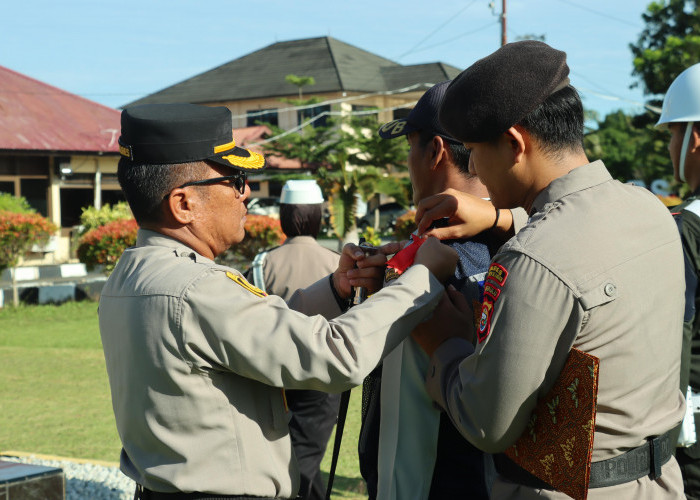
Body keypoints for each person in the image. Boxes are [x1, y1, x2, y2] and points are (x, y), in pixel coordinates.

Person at [99, 102, 458, 500]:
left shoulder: (129, 276)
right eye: (234, 180)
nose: (246, 193)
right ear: (184, 204)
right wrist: (422, 278)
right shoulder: (197, 287)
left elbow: (255, 332)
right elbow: (337, 357)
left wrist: (337, 289)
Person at [410, 41, 686, 498]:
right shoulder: (647, 208)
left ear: (516, 143)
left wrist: (445, 342)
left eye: (476, 150)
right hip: (658, 480)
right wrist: (502, 217)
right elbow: (579, 240)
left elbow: (487, 423)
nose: (473, 166)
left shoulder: (532, 260)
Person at [359, 80, 524, 500]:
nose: (408, 163)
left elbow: (404, 433)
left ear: (435, 151)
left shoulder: (426, 266)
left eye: (410, 147)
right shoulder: (526, 242)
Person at [246, 179, 341, 500]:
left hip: (273, 378)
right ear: (319, 216)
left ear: (284, 217)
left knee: (290, 455)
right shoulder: (339, 262)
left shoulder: (262, 264)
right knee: (304, 457)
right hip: (325, 379)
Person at [657, 62, 700, 500]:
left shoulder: (684, 227)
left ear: (696, 139)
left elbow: (676, 342)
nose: (672, 146)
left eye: (674, 133)